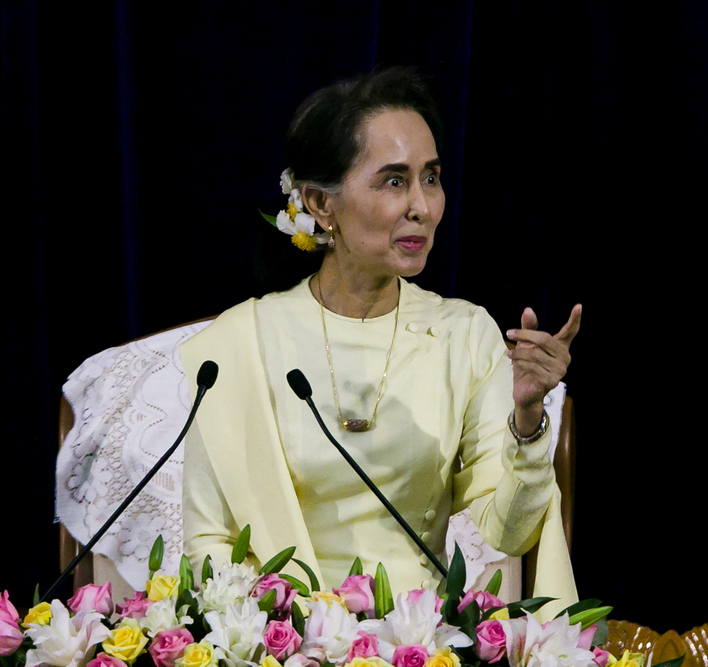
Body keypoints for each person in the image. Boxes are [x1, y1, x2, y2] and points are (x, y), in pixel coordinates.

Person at [180, 68, 581, 612]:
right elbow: (208, 543)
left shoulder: (463, 335)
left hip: (419, 640)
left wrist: (528, 419)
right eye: (394, 181)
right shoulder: (240, 345)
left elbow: (509, 534)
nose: (423, 207)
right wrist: (285, 636)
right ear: (320, 203)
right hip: (283, 637)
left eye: (431, 178)